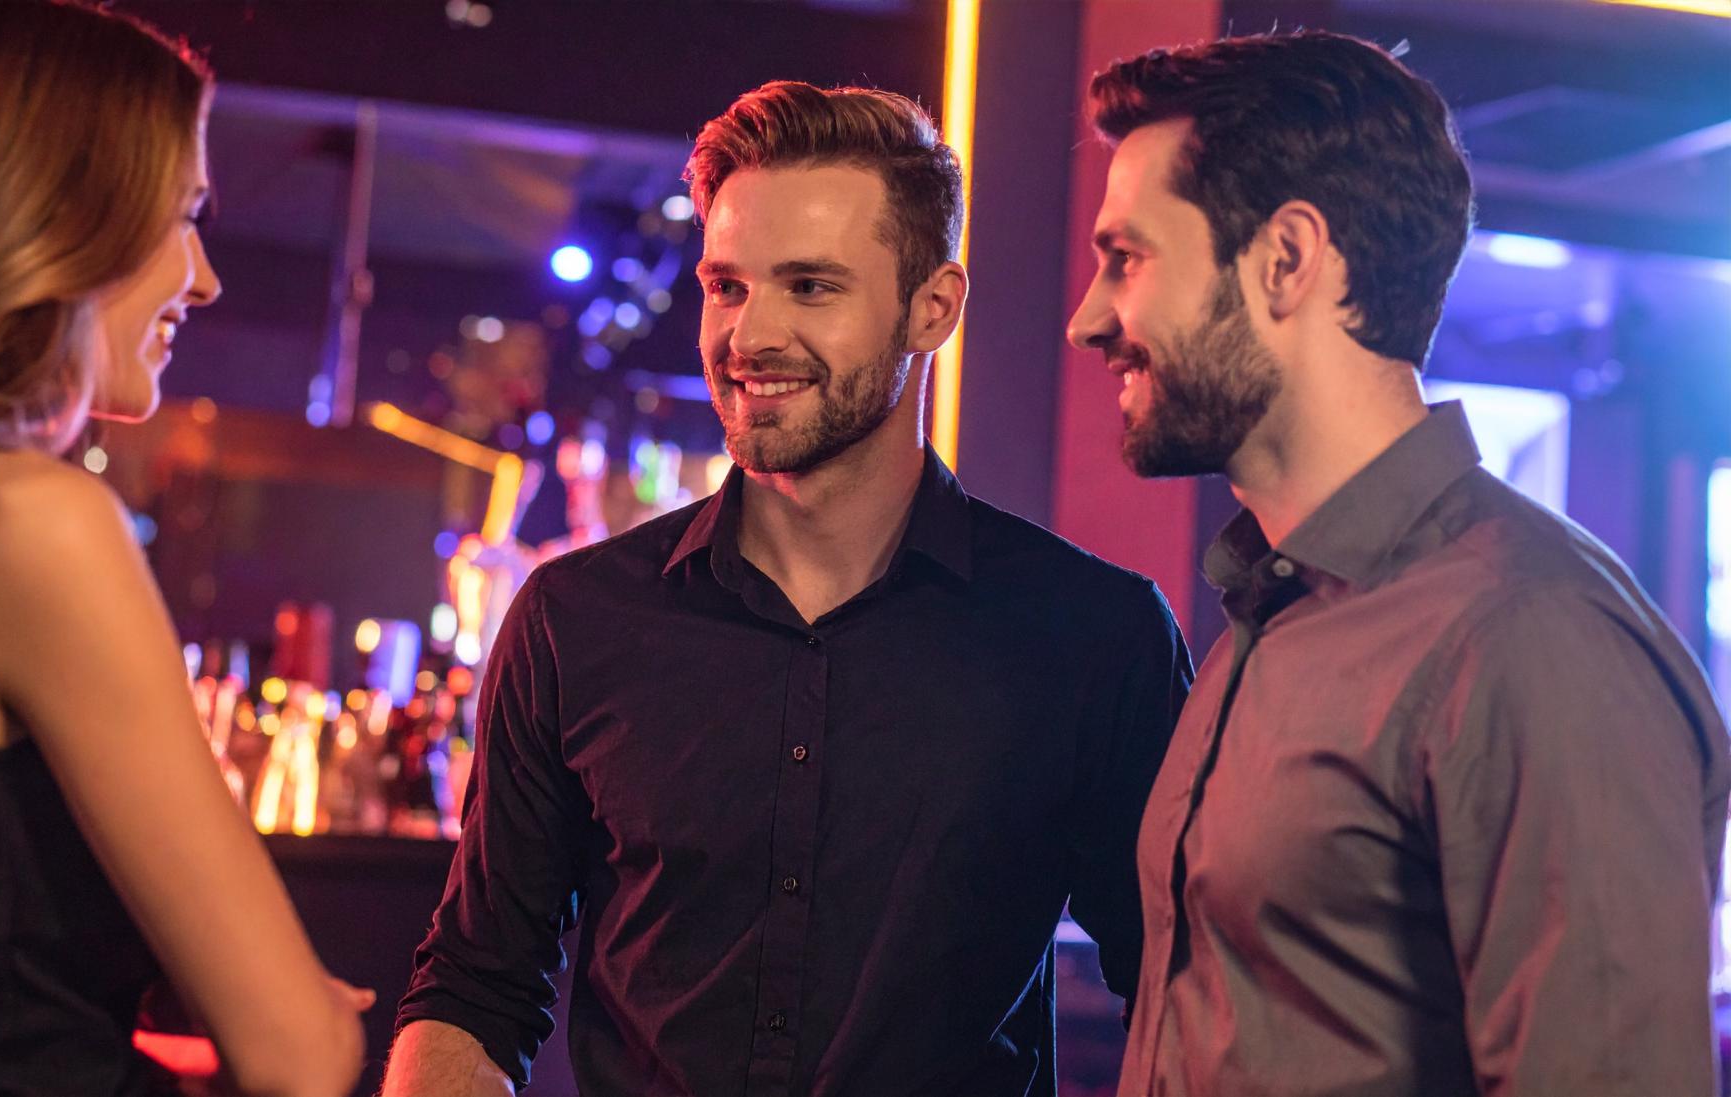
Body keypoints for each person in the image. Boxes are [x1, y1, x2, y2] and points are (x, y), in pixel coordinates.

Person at [384, 80, 1191, 1097]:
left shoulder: (1092, 634)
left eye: (810, 286)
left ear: (932, 309)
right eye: (728, 286)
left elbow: (1182, 990)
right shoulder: (575, 619)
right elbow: (474, 984)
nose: (748, 335)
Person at [1065, 30, 1731, 1097]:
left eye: (1127, 258)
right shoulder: (1271, 612)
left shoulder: (1531, 636)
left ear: (1286, 259)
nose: (1087, 317)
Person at [0, 2, 368, 1094]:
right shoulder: (30, 521)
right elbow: (301, 1054)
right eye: (179, 215)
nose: (202, 277)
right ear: (53, 217)